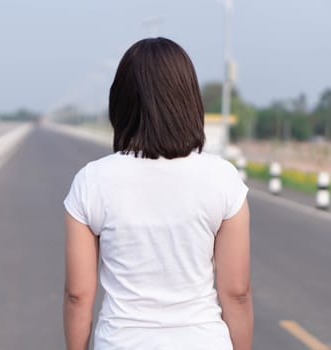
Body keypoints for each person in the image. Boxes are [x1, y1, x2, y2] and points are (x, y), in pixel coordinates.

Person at [63, 37, 253, 350]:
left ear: (121, 101)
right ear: (189, 99)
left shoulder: (91, 181)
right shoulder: (223, 179)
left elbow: (78, 296)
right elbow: (237, 293)